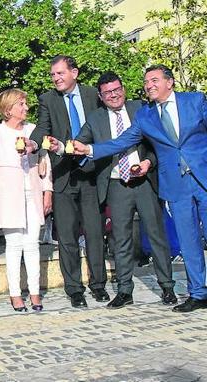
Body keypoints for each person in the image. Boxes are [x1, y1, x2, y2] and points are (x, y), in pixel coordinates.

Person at [73, 64, 207, 312]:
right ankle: (198, 294)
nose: (149, 85)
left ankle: (184, 288)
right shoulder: (145, 116)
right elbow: (122, 142)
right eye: (146, 82)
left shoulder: (195, 100)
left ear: (170, 82)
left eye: (154, 80)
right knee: (189, 243)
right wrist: (90, 150)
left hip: (203, 178)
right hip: (176, 185)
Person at [29, 55, 108, 308]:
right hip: (63, 175)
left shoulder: (92, 95)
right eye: (53, 75)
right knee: (67, 236)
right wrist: (32, 142)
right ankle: (74, 289)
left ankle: (98, 285)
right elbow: (42, 128)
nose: (56, 78)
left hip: (92, 173)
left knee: (95, 234)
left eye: (60, 73)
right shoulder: (48, 99)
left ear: (74, 72)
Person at [0, 88, 53, 312]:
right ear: (8, 109)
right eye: (21, 104)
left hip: (32, 192)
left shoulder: (33, 130)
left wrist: (47, 191)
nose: (26, 108)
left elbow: (45, 162)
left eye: (25, 103)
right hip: (9, 195)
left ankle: (34, 291)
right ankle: (14, 293)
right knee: (13, 246)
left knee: (32, 244)